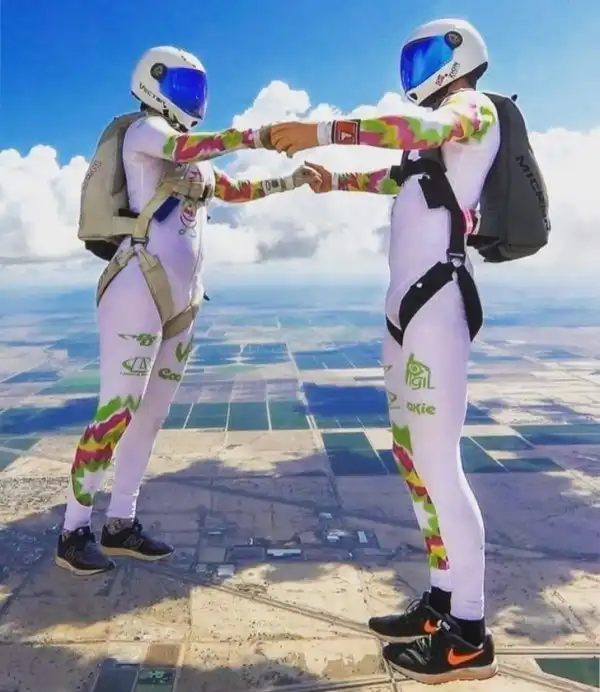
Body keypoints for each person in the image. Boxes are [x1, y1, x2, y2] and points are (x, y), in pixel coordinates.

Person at [270, 18, 499, 686]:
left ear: (458, 57)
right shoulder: (435, 145)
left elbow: (412, 130)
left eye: (427, 57)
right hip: (407, 313)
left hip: (436, 308)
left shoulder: (473, 110)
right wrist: (333, 181)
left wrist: (321, 131)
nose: (418, 73)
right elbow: (398, 177)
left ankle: (469, 634)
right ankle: (442, 601)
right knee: (413, 460)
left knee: (440, 467)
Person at [56, 46, 319, 576]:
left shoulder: (189, 157)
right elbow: (187, 145)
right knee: (116, 412)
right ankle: (73, 531)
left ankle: (120, 523)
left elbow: (234, 188)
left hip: (182, 300)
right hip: (137, 287)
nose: (191, 100)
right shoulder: (146, 133)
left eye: (196, 89)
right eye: (180, 87)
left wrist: (290, 182)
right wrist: (258, 136)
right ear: (151, 84)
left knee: (150, 416)